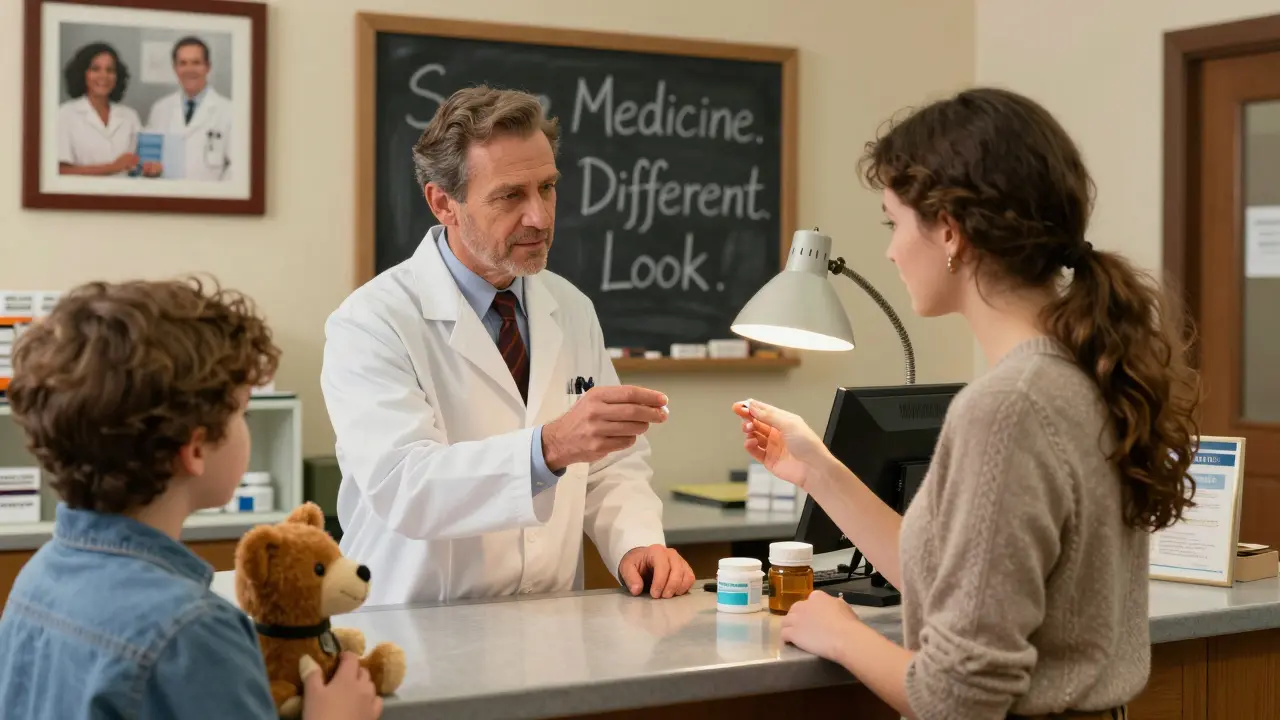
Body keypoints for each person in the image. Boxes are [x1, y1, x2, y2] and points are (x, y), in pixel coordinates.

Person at [732, 87, 1201, 720]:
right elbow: (954, 582)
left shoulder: (1009, 408)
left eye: (894, 223)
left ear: (949, 230)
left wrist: (841, 635)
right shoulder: (1077, 373)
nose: (892, 251)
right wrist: (819, 469)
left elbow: (957, 699)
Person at [321, 86, 696, 606]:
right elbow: (404, 486)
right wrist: (550, 447)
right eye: (510, 196)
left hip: (546, 627)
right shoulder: (371, 322)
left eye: (547, 187)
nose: (540, 217)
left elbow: (610, 463)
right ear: (442, 203)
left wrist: (636, 542)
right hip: (416, 630)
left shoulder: (569, 306)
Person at [0, 278, 382, 720]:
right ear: (196, 449)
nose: (247, 427)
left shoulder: (37, 578)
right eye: (243, 412)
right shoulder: (193, 632)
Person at [57, 42, 159, 177]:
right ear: (82, 74)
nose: (103, 76)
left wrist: (150, 169)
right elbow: (61, 171)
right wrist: (113, 167)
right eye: (95, 69)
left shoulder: (130, 116)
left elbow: (138, 165)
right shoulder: (65, 114)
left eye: (110, 70)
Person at [146, 36, 232, 181]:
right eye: (183, 63)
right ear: (175, 68)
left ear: (208, 67)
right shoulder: (160, 109)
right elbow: (149, 161)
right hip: (167, 198)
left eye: (196, 63)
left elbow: (237, 167)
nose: (189, 69)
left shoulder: (230, 111)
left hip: (210, 199)